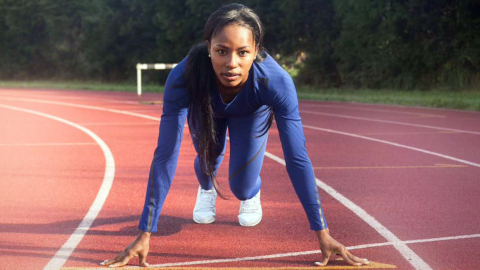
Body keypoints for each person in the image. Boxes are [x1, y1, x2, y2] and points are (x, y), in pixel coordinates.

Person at [102, 3, 369, 268]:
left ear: (256, 51)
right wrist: (145, 232)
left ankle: (252, 193)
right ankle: (206, 188)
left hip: (251, 112)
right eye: (221, 51)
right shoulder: (184, 77)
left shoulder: (275, 81)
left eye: (243, 52)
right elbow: (166, 154)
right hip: (206, 106)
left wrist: (322, 232)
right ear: (208, 47)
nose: (232, 64)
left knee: (241, 187)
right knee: (208, 161)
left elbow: (297, 158)